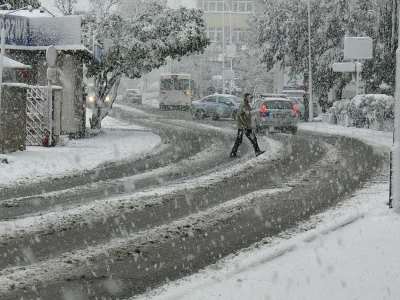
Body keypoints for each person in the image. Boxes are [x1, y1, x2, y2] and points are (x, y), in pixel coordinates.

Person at [230, 93, 265, 157]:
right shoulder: (243, 105)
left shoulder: (247, 105)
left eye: (251, 98)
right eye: (250, 98)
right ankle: (233, 153)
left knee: (252, 138)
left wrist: (249, 124)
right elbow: (239, 116)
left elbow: (248, 115)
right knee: (242, 139)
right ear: (246, 98)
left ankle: (257, 151)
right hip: (243, 126)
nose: (251, 99)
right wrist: (244, 125)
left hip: (247, 126)